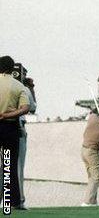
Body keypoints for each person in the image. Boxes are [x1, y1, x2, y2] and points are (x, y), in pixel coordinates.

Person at [0, 55, 31, 211]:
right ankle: (13, 201)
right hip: (9, 127)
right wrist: (7, 115)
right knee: (9, 165)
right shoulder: (18, 85)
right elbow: (26, 108)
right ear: (12, 69)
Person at [17, 77, 37, 209]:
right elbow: (33, 107)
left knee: (4, 166)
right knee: (18, 166)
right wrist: (31, 89)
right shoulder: (23, 88)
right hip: (17, 126)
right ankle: (18, 200)